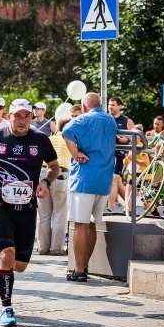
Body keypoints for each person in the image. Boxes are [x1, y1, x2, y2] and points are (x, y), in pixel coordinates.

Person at [0, 98, 59, 327]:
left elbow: (54, 166)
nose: (22, 121)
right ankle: (6, 307)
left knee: (19, 265)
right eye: (17, 116)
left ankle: (3, 265)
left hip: (27, 207)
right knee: (7, 253)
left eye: (26, 116)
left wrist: (46, 182)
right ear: (9, 116)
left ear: (31, 118)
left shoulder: (40, 139)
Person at [61, 92, 116, 282]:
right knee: (92, 224)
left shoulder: (83, 119)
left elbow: (66, 131)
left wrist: (76, 153)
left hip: (84, 178)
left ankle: (78, 270)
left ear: (84, 107)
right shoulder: (110, 120)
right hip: (104, 179)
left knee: (80, 225)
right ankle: (85, 266)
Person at [37, 117, 72, 255]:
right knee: (59, 213)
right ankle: (57, 249)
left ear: (57, 127)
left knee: (43, 214)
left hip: (42, 173)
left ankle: (43, 247)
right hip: (61, 173)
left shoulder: (49, 139)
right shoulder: (71, 140)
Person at [106, 96, 135, 213]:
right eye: (109, 104)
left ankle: (109, 208)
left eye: (113, 105)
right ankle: (128, 206)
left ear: (119, 106)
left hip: (120, 155)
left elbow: (135, 138)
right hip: (106, 153)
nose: (110, 107)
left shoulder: (126, 121)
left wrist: (126, 139)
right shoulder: (105, 118)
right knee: (111, 181)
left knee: (114, 180)